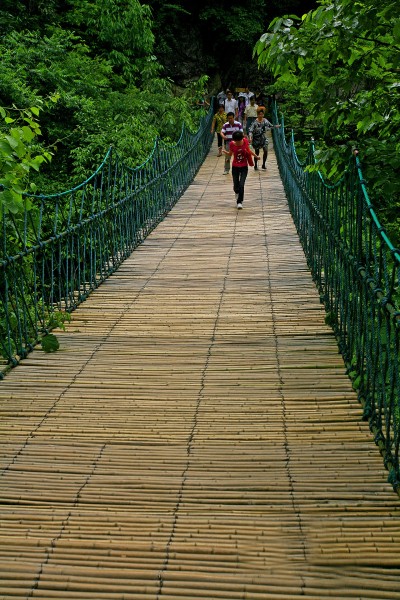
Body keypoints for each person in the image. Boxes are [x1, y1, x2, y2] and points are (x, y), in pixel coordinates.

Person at [222, 130, 259, 209]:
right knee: (236, 185)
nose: (239, 143)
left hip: (244, 166)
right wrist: (225, 153)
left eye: (240, 141)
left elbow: (249, 151)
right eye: (237, 141)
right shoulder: (232, 144)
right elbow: (230, 154)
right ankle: (237, 192)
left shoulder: (245, 141)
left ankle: (239, 202)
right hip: (235, 166)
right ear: (234, 140)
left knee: (241, 184)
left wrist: (256, 156)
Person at [248, 106, 279, 171]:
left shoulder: (265, 120)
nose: (260, 115)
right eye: (259, 114)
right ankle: (256, 165)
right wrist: (250, 138)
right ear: (257, 114)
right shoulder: (255, 122)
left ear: (263, 114)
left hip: (263, 138)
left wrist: (276, 126)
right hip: (256, 139)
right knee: (257, 152)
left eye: (262, 114)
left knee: (265, 150)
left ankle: (264, 164)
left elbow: (271, 126)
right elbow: (250, 130)